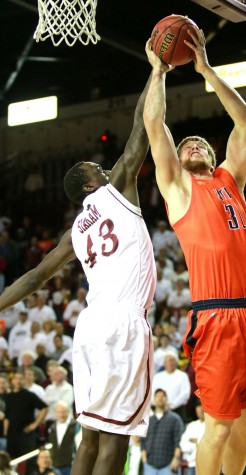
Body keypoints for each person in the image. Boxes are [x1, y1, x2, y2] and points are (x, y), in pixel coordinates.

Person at [143, 28, 246, 475]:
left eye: (201, 142)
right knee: (219, 426)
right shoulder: (178, 189)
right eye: (186, 145)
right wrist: (158, 72)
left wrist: (206, 70)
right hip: (218, 317)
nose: (195, 145)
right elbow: (154, 125)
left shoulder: (230, 180)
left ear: (212, 154)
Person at [0, 73, 156, 475]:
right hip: (122, 320)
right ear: (90, 183)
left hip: (88, 327)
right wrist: (157, 71)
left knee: (90, 433)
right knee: (115, 438)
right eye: (98, 168)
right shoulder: (116, 189)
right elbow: (141, 131)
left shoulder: (74, 232)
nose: (106, 169)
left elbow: (34, 277)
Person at [140, 389, 184, 475]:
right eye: (157, 396)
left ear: (166, 399)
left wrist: (176, 458)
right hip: (150, 465)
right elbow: (143, 440)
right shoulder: (148, 420)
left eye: (162, 396)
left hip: (168, 465)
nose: (160, 398)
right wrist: (144, 456)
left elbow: (179, 441)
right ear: (154, 399)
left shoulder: (175, 419)